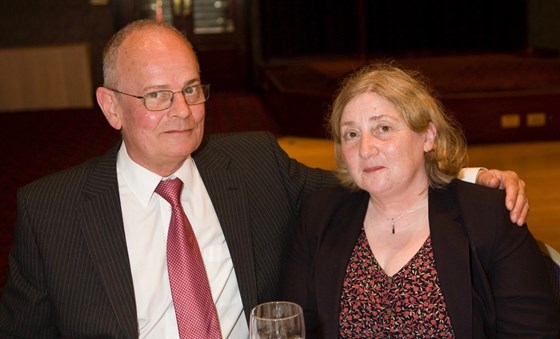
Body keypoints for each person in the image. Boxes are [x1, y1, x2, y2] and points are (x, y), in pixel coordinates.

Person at [0, 20, 529, 338]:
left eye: (192, 89)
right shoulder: (53, 211)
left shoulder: (252, 163)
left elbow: (366, 179)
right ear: (110, 106)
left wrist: (463, 177)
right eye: (157, 96)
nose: (183, 111)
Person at [280, 63, 560, 338]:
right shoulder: (319, 215)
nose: (365, 149)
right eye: (351, 134)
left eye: (383, 128)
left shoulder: (490, 216)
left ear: (427, 136)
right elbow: (296, 326)